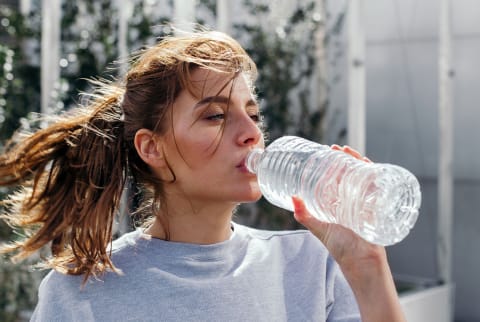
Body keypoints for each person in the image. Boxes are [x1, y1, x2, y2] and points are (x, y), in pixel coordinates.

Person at [0, 29, 405, 321]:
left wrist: (367, 265)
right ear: (151, 148)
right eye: (215, 115)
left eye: (253, 114)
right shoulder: (82, 295)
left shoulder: (311, 266)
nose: (251, 134)